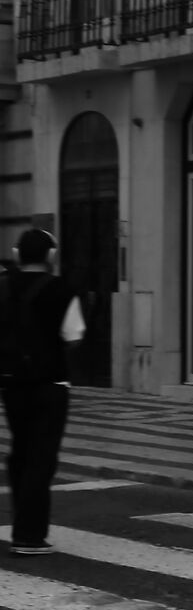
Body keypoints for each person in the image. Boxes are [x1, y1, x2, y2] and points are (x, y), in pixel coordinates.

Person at [1, 230, 86, 556]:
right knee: (42, 456)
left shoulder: (3, 286)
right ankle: (29, 535)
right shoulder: (62, 290)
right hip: (50, 383)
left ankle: (22, 521)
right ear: (51, 255)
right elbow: (74, 336)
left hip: (11, 383)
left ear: (17, 253)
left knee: (20, 450)